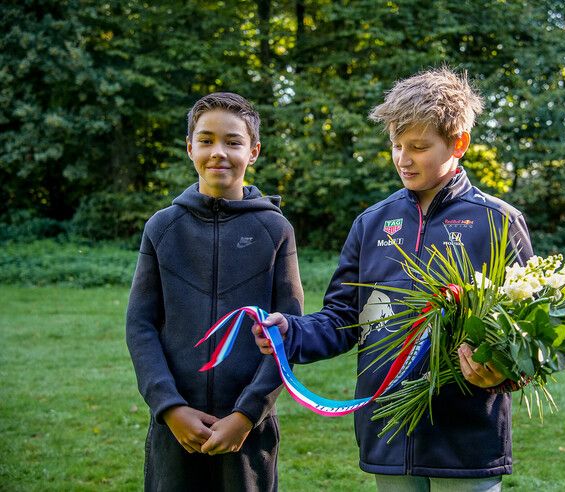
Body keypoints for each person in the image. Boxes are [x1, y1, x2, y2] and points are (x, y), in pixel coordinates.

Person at [252, 68, 533, 491]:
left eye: (419, 147)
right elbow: (344, 317)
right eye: (397, 146)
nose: (403, 158)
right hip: (388, 432)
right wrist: (291, 332)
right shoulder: (371, 224)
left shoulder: (498, 222)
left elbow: (530, 329)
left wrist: (503, 373)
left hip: (466, 439)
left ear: (459, 143)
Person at [126, 92, 303, 491]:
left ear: (253, 151)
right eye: (206, 140)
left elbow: (288, 334)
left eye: (233, 141)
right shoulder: (162, 228)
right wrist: (169, 408)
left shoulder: (276, 231)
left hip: (247, 433)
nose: (218, 152)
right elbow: (140, 326)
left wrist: (247, 414)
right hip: (174, 430)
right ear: (190, 148)